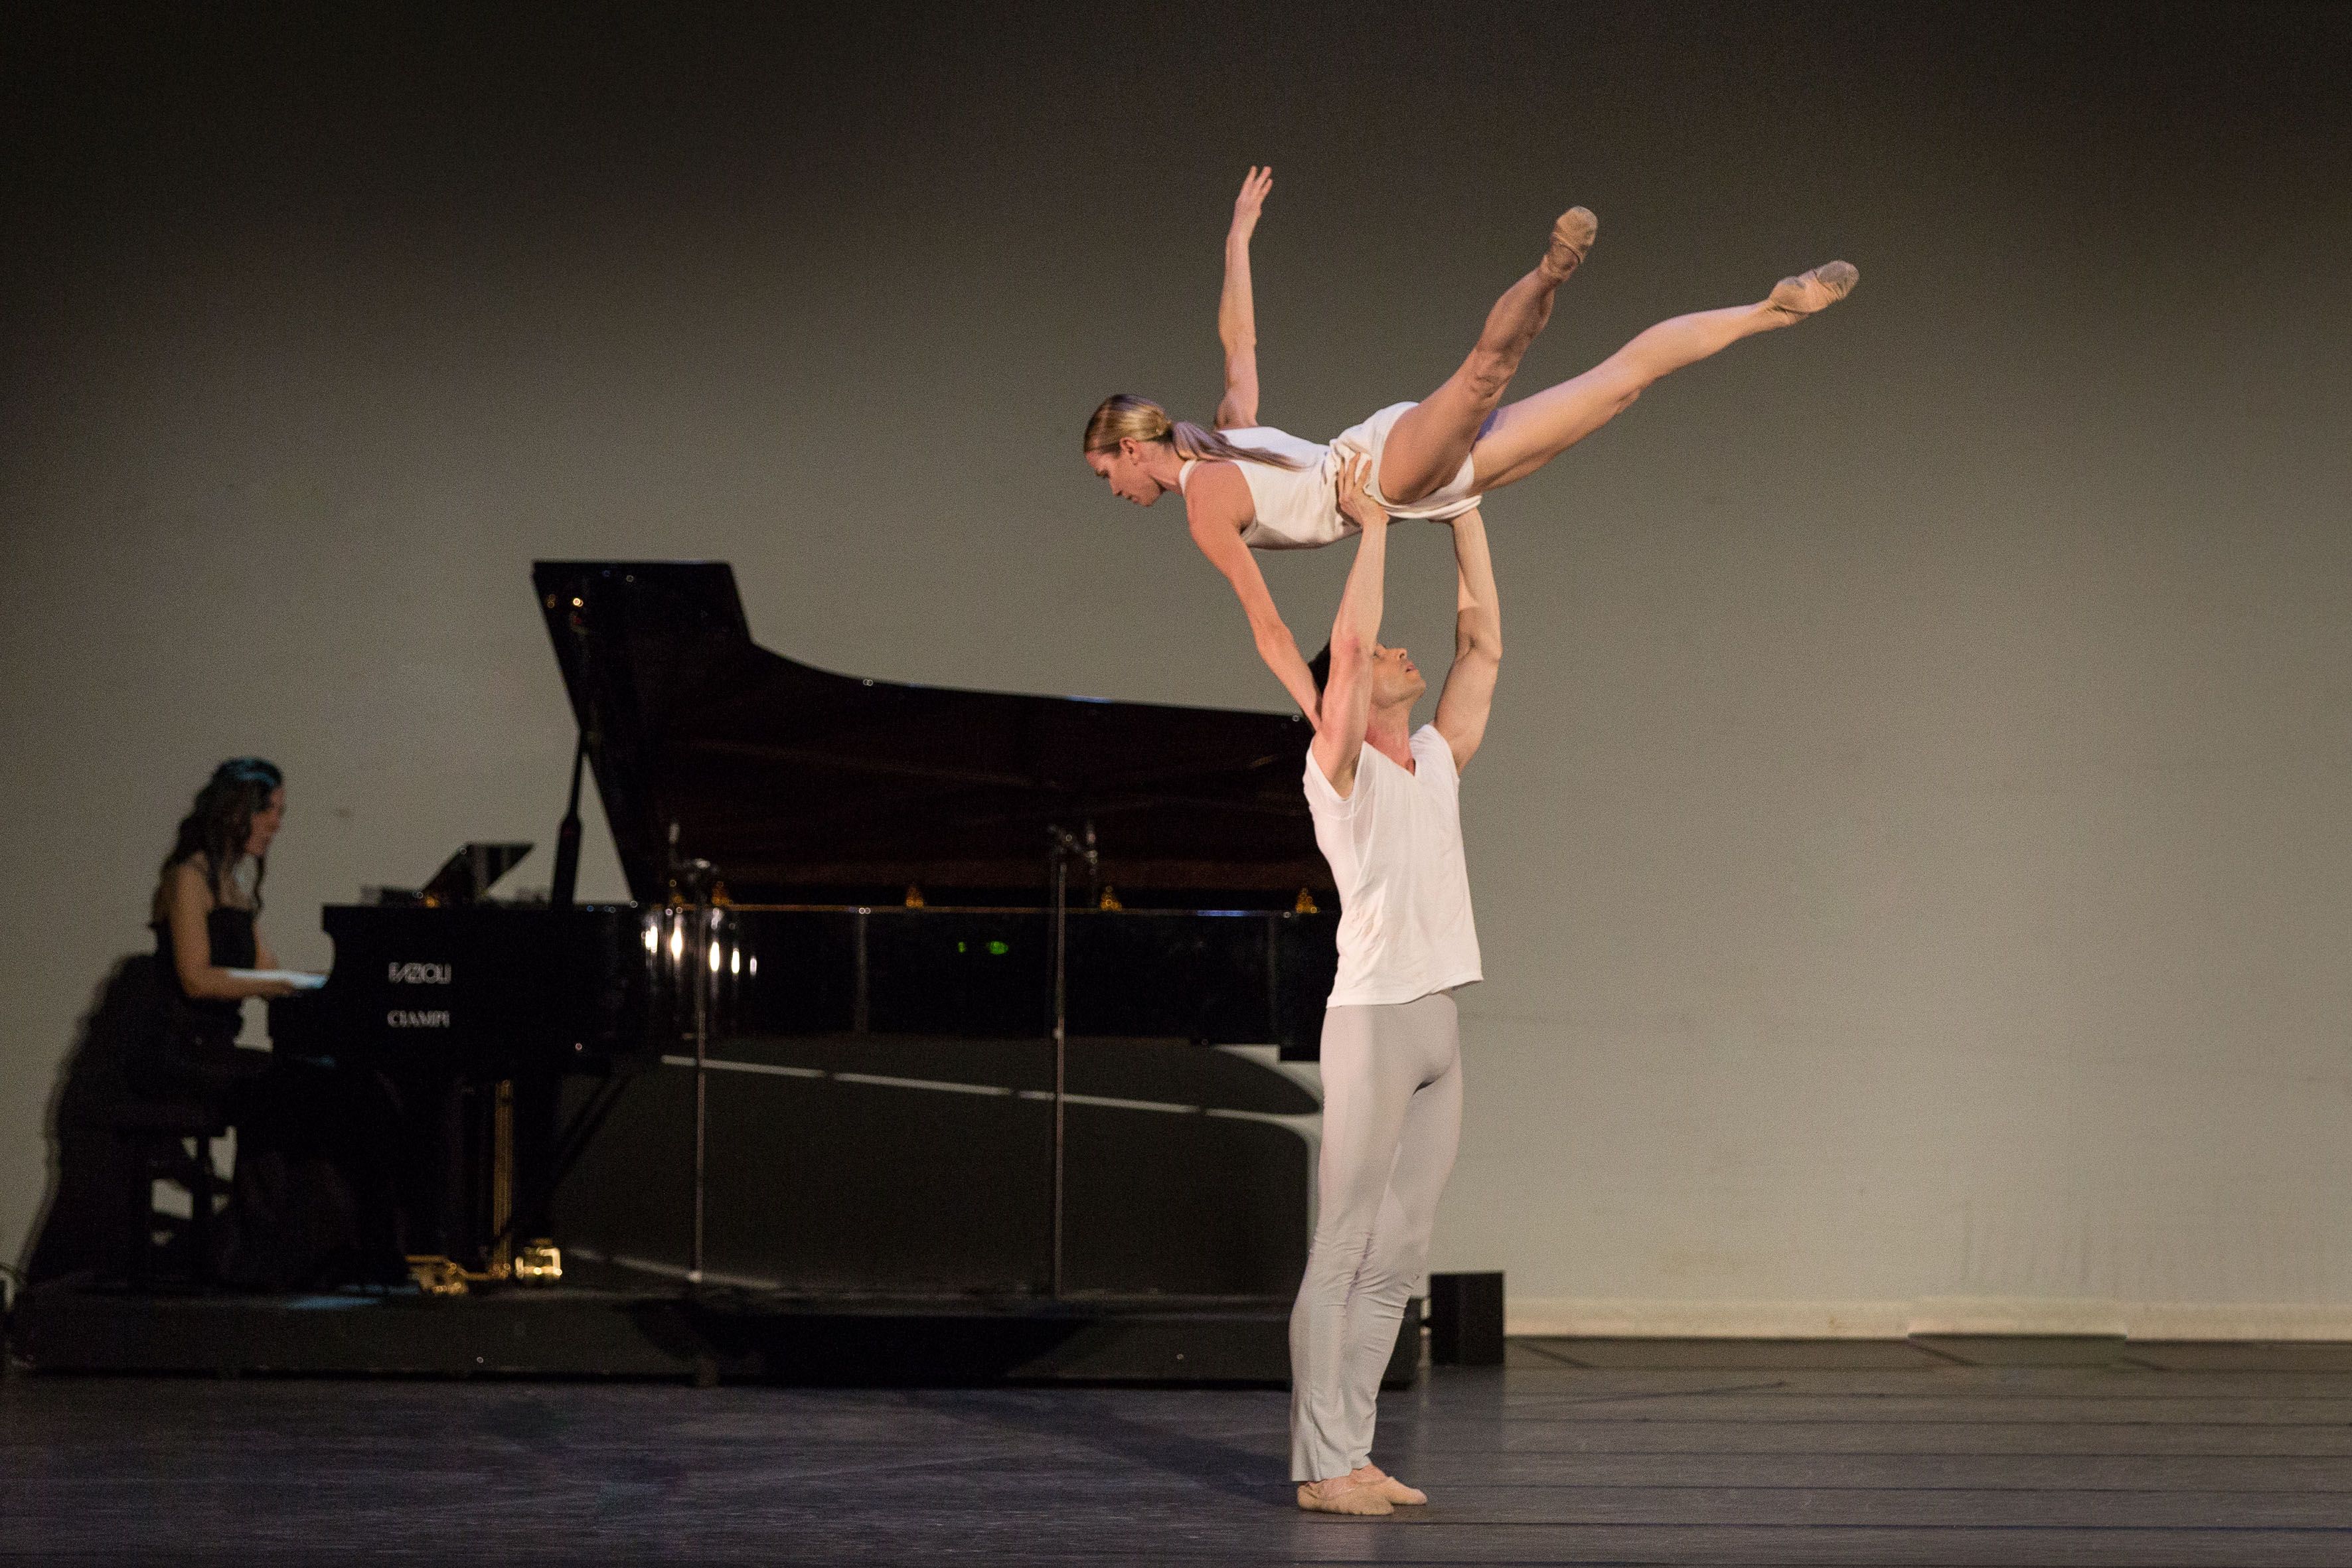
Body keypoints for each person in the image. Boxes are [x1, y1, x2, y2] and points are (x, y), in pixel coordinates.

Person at [1083, 166, 1857, 722]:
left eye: (1104, 472)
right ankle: (1772, 310)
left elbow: (1268, 625)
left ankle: (1552, 269)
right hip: (1430, 488)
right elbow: (1240, 342)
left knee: (1487, 373)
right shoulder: (1228, 433)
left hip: (1389, 474)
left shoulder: (1203, 502)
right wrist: (1238, 237)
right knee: (1620, 387)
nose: (1113, 492)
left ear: (1128, 448)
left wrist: (1318, 712)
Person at [1288, 458, 1499, 1516]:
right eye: (1378, 657)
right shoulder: (1338, 768)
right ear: (1350, 683)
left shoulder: (1432, 759)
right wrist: (1370, 525)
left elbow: (1483, 643)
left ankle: (1355, 1447)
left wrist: (1462, 517)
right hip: (1370, 1019)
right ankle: (1320, 1466)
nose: (1398, 653)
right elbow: (1356, 642)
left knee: (1400, 1249)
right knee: (1341, 1244)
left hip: (1436, 1024)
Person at [145, 758, 405, 1286]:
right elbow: (197, 979)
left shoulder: (235, 886)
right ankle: (259, 1252)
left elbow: (266, 969)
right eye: (272, 812)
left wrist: (338, 984)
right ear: (239, 813)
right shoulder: (188, 878)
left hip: (218, 1048)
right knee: (291, 1090)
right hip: (181, 1051)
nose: (278, 825)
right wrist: (286, 983)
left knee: (336, 1086)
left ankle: (314, 1245)